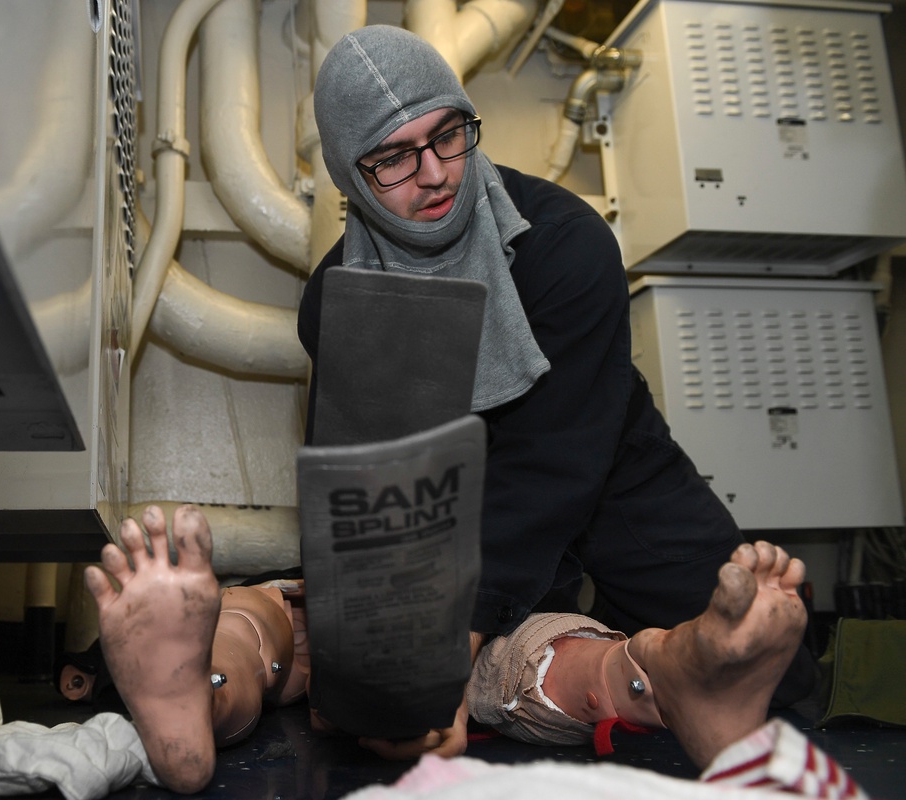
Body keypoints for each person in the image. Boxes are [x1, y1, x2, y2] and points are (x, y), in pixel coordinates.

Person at [295, 24, 814, 760]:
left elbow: (549, 465)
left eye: (448, 135)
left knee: (770, 678)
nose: (435, 172)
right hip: (440, 517)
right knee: (372, 692)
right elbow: (353, 484)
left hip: (604, 472)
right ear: (350, 175)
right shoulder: (336, 299)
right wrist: (379, 654)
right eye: (393, 158)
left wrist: (454, 643)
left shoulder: (567, 243)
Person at [84, 503, 824, 796]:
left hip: (468, 623)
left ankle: (671, 672)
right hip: (316, 613)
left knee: (255, 637)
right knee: (256, 628)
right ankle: (191, 685)